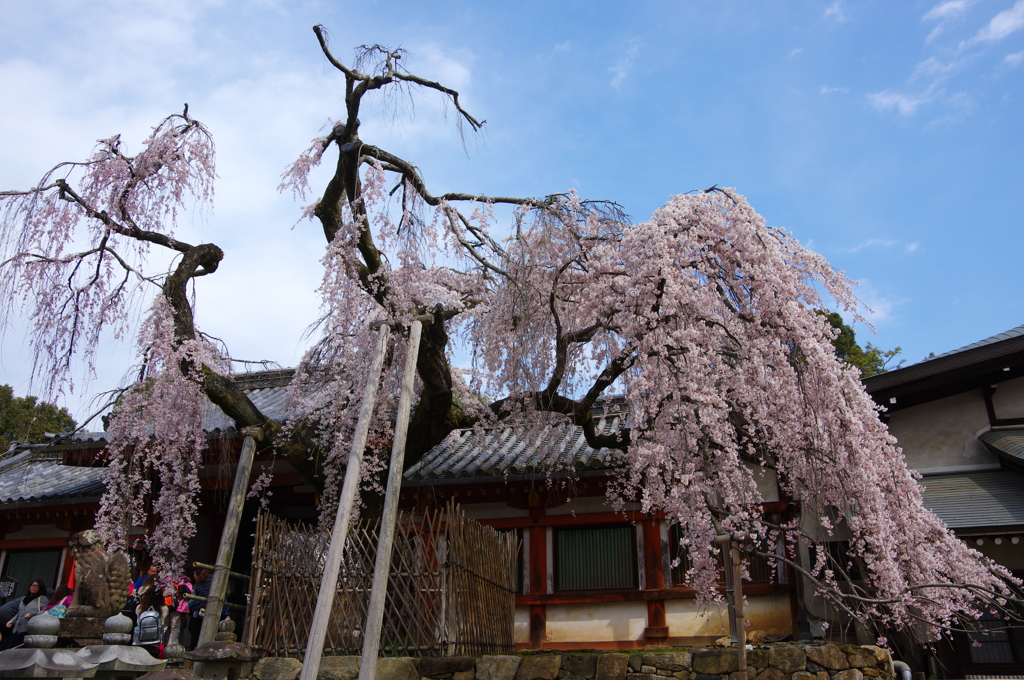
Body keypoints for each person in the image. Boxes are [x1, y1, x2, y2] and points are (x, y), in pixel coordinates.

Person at [1, 580, 49, 650]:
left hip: (28, 628)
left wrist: (31, 614)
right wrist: (12, 621)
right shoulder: (25, 598)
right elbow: (20, 612)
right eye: (32, 585)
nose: (34, 587)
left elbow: (45, 612)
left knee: (21, 649)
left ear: (41, 588)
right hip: (17, 628)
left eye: (36, 586)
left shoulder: (42, 599)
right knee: (11, 647)